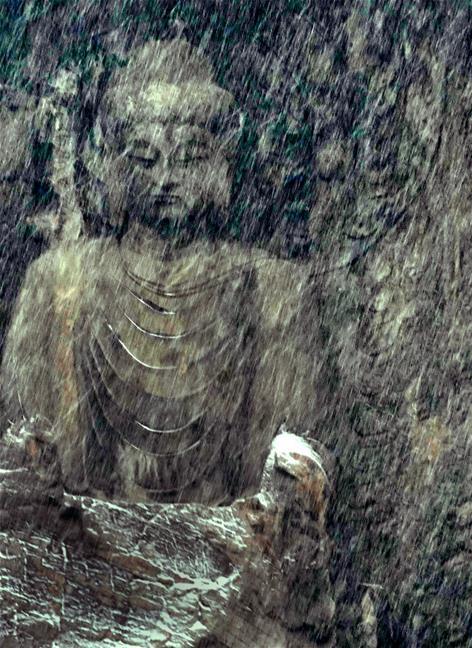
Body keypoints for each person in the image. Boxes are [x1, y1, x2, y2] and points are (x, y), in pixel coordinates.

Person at [0, 38, 322, 505]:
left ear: (220, 165)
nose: (167, 176)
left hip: (223, 537)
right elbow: (25, 457)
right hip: (87, 531)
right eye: (144, 158)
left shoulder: (273, 289)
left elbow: (287, 472)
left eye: (189, 156)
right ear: (114, 167)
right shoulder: (58, 280)